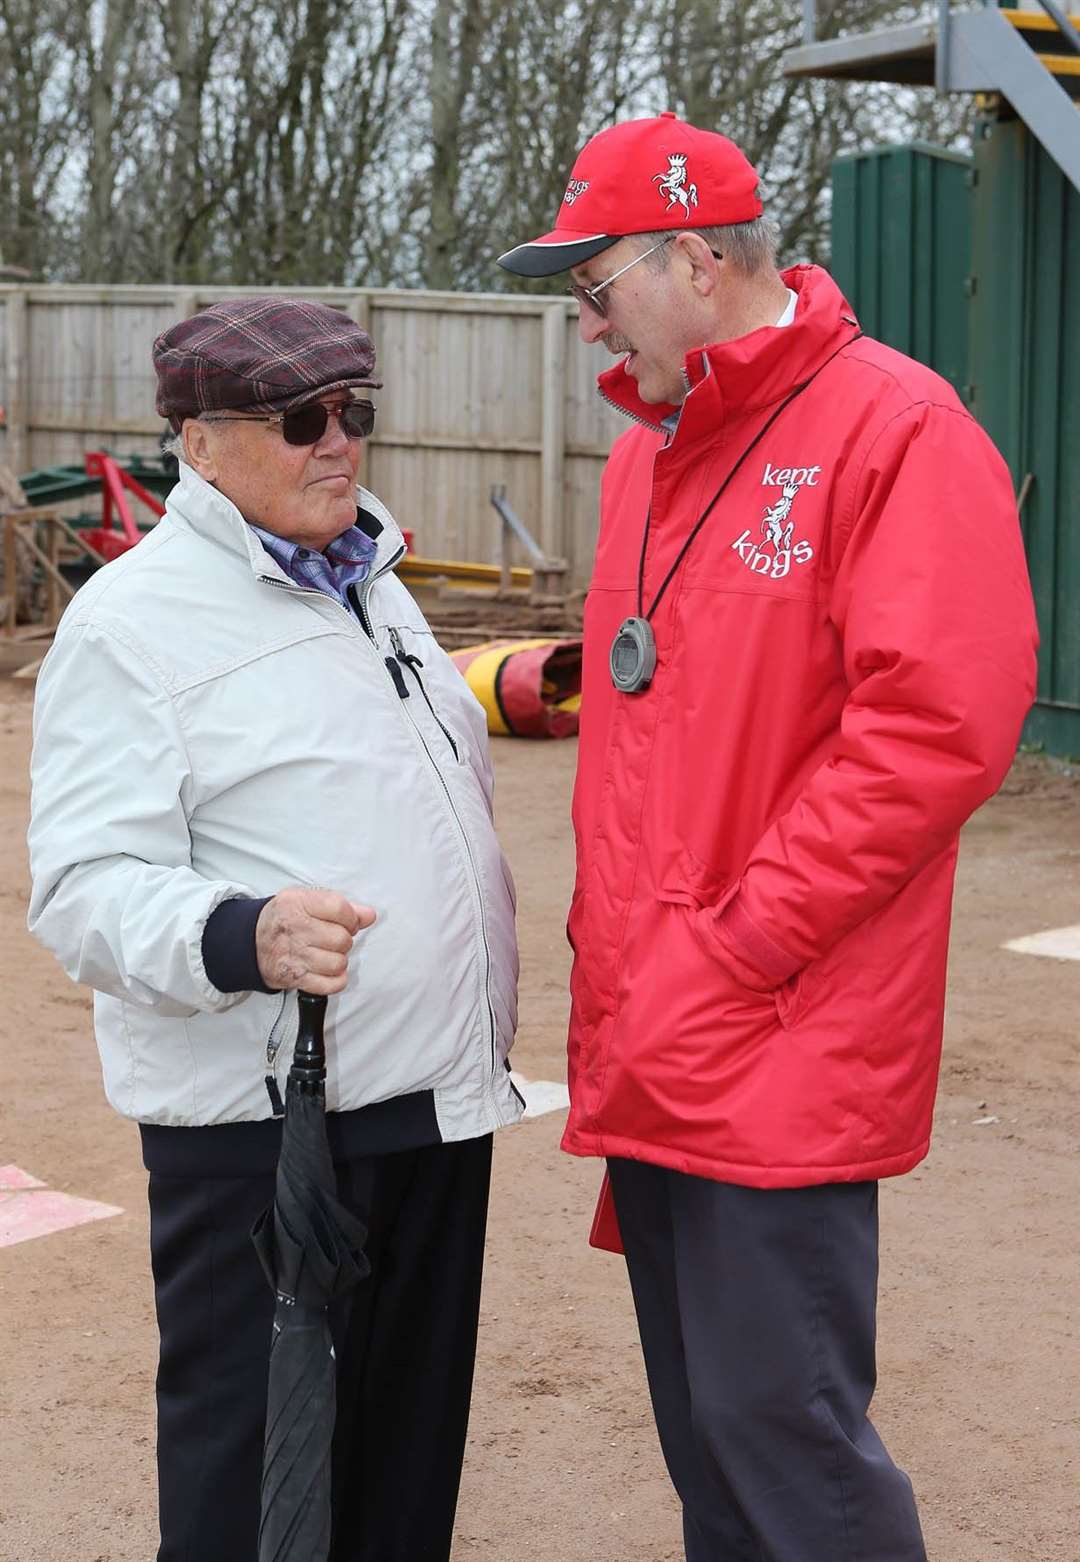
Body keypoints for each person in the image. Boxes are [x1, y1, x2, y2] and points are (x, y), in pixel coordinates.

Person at [498, 112, 1038, 1561]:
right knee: (713, 1447)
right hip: (661, 1030)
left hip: (774, 1032)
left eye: (595, 282)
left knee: (785, 1445)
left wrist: (741, 938)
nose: (585, 316)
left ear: (689, 256)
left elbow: (937, 728)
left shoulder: (894, 428)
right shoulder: (648, 459)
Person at [26, 296, 521, 1562]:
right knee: (259, 1491)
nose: (338, 443)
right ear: (199, 442)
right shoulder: (130, 623)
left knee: (402, 1479)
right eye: (302, 419)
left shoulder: (375, 580)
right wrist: (242, 931)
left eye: (355, 412)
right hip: (267, 1138)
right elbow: (81, 886)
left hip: (430, 1109)